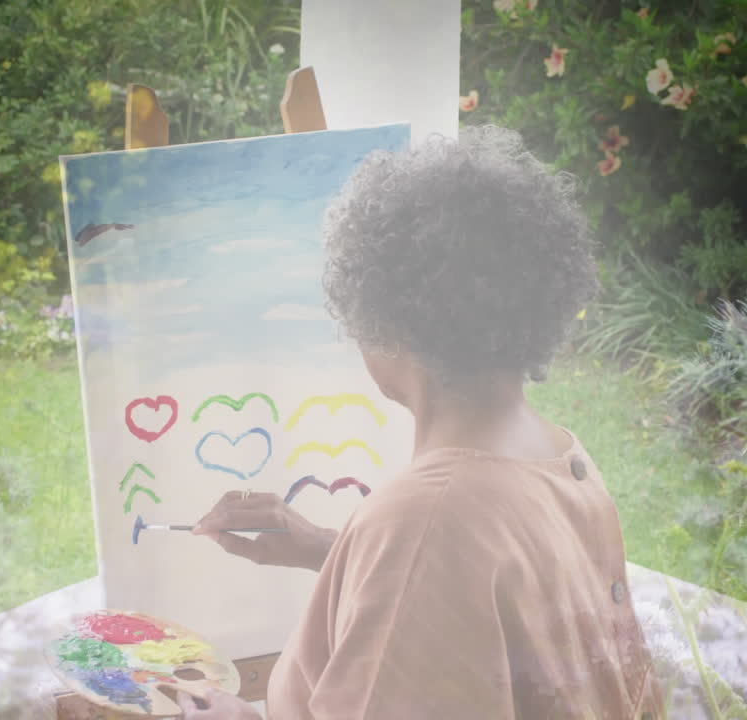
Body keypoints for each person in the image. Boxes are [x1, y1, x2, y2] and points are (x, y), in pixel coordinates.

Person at [177, 125, 665, 719]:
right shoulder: (559, 457)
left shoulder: (425, 522)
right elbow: (491, 616)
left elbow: (440, 552)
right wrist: (334, 553)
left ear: (389, 320)